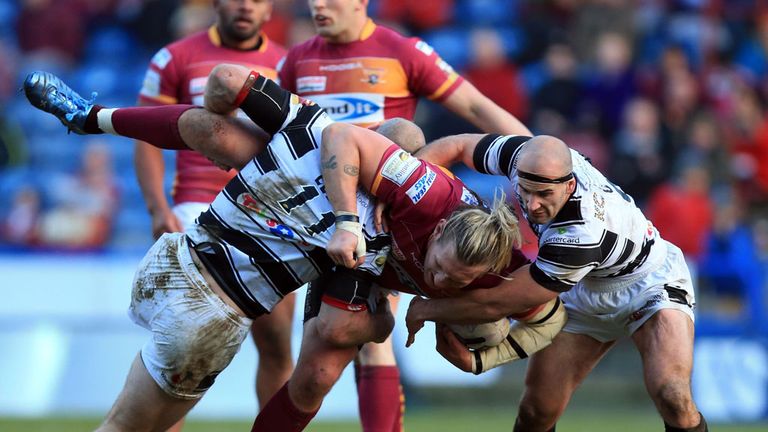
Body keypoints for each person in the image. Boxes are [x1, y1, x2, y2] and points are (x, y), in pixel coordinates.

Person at [23, 69, 562, 431]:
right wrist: (351, 219)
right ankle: (88, 117)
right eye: (440, 269)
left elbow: (549, 316)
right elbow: (374, 138)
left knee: (321, 369)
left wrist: (470, 339)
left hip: (256, 287)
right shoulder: (425, 194)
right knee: (219, 106)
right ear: (439, 232)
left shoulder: (492, 276)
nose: (440, 279)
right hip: (304, 160)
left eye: (455, 283)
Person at [278, 1, 532, 428]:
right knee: (309, 354)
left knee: (366, 343)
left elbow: (474, 107)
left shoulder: (403, 50)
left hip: (384, 211)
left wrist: (535, 159)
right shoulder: (296, 59)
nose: (318, 4)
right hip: (312, 206)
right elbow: (282, 131)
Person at [405, 133, 709, 431]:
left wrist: (427, 309)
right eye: (525, 191)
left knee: (672, 396)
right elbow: (457, 145)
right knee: (536, 412)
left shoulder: (581, 233)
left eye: (545, 195)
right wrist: (407, 187)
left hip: (649, 284)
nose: (533, 205)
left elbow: (499, 301)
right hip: (584, 287)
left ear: (570, 185)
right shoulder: (521, 156)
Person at [131, 0, 294, 418]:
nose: (245, 6)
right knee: (185, 341)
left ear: (269, 7)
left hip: (267, 210)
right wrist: (157, 207)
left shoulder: (288, 63)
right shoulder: (176, 57)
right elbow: (148, 135)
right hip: (198, 207)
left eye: (256, 0)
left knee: (276, 339)